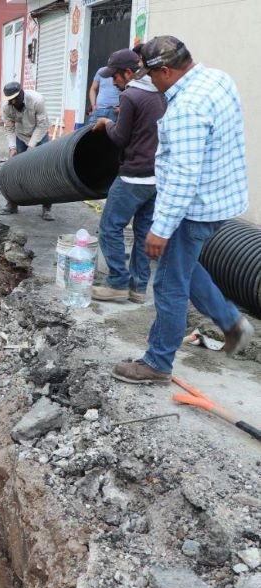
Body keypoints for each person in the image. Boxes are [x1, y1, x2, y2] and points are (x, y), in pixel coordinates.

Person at [111, 36, 254, 384]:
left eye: (151, 75)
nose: (151, 82)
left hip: (195, 208)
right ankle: (232, 323)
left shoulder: (186, 109)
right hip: (221, 199)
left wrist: (160, 228)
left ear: (166, 70)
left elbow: (183, 177)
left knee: (169, 284)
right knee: (184, 266)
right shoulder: (217, 79)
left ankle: (157, 363)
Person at [90, 48, 166, 304]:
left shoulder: (131, 95)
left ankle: (117, 283)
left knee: (109, 228)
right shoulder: (159, 93)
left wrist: (107, 123)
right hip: (155, 177)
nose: (113, 81)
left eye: (115, 75)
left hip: (133, 176)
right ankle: (138, 288)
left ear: (128, 72)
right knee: (143, 232)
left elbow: (120, 138)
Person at [0, 81, 54, 221]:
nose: (13, 102)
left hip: (39, 136)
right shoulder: (7, 107)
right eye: (10, 100)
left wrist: (32, 146)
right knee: (15, 171)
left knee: (44, 171)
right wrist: (12, 147)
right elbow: (9, 128)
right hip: (21, 136)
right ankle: (12, 204)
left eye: (15, 98)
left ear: (22, 93)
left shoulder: (37, 100)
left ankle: (47, 208)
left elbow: (42, 125)